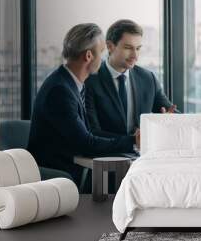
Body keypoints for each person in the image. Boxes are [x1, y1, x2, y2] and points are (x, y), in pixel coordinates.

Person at [28, 23, 139, 189]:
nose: (102, 60)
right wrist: (132, 142)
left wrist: (130, 141)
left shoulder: (72, 84)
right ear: (88, 56)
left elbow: (89, 133)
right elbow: (86, 143)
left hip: (73, 168)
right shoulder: (60, 91)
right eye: (101, 53)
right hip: (57, 176)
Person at [85, 19, 178, 147]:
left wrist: (169, 120)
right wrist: (133, 140)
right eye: (128, 48)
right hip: (106, 157)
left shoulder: (148, 78)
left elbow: (170, 112)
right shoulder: (91, 80)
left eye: (138, 48)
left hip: (142, 158)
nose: (135, 55)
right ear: (110, 46)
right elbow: (92, 132)